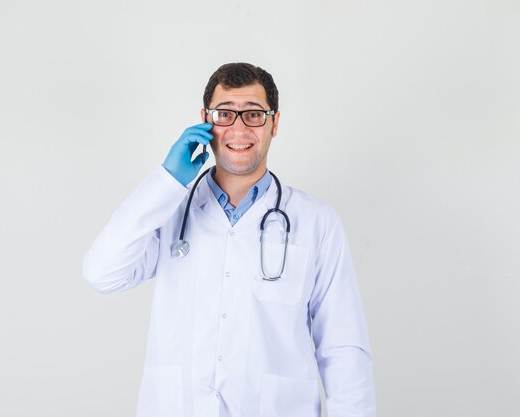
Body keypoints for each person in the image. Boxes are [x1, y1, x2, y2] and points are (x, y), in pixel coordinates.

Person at [83, 63, 376, 417]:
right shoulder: (169, 210)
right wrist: (166, 181)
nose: (239, 128)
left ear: (275, 123)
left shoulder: (317, 221)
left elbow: (343, 348)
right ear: (205, 120)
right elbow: (102, 272)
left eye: (254, 114)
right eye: (225, 114)